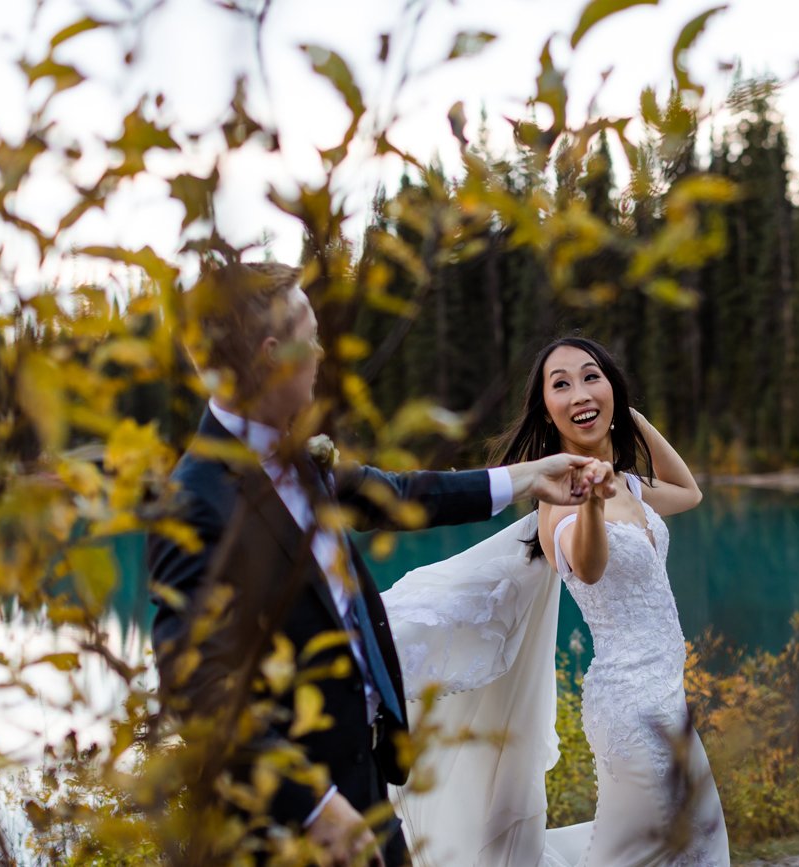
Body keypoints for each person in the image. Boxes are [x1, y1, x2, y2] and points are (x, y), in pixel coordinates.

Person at [146, 263, 612, 865]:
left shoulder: (300, 460)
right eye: (311, 337)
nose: (319, 353)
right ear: (274, 353)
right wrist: (313, 807)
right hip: (285, 823)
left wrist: (529, 477)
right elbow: (195, 688)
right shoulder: (195, 500)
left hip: (366, 780)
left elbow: (399, 495)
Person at [383, 336, 729, 866]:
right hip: (631, 711)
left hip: (668, 699)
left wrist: (625, 414)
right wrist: (590, 501)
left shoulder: (631, 487)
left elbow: (688, 492)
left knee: (695, 845)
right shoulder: (557, 501)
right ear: (546, 410)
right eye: (561, 385)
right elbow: (588, 568)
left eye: (592, 377)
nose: (579, 393)